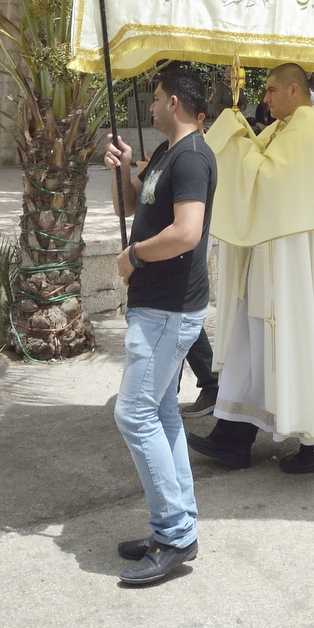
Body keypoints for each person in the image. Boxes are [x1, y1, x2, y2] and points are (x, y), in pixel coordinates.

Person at [193, 63, 314, 474]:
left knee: (301, 342)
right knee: (253, 344)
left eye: (269, 90)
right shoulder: (284, 128)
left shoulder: (311, 131)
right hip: (273, 250)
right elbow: (260, 157)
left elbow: (265, 176)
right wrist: (239, 133)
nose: (264, 98)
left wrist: (231, 140)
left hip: (300, 257)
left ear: (291, 89)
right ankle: (233, 436)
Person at [102, 65, 218, 586]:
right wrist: (122, 170)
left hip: (169, 307)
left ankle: (173, 532)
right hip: (157, 304)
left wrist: (134, 258)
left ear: (174, 102)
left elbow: (187, 232)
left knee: (134, 414)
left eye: (153, 98)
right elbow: (134, 206)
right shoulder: (169, 156)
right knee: (160, 410)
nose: (148, 107)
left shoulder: (192, 157)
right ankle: (177, 524)